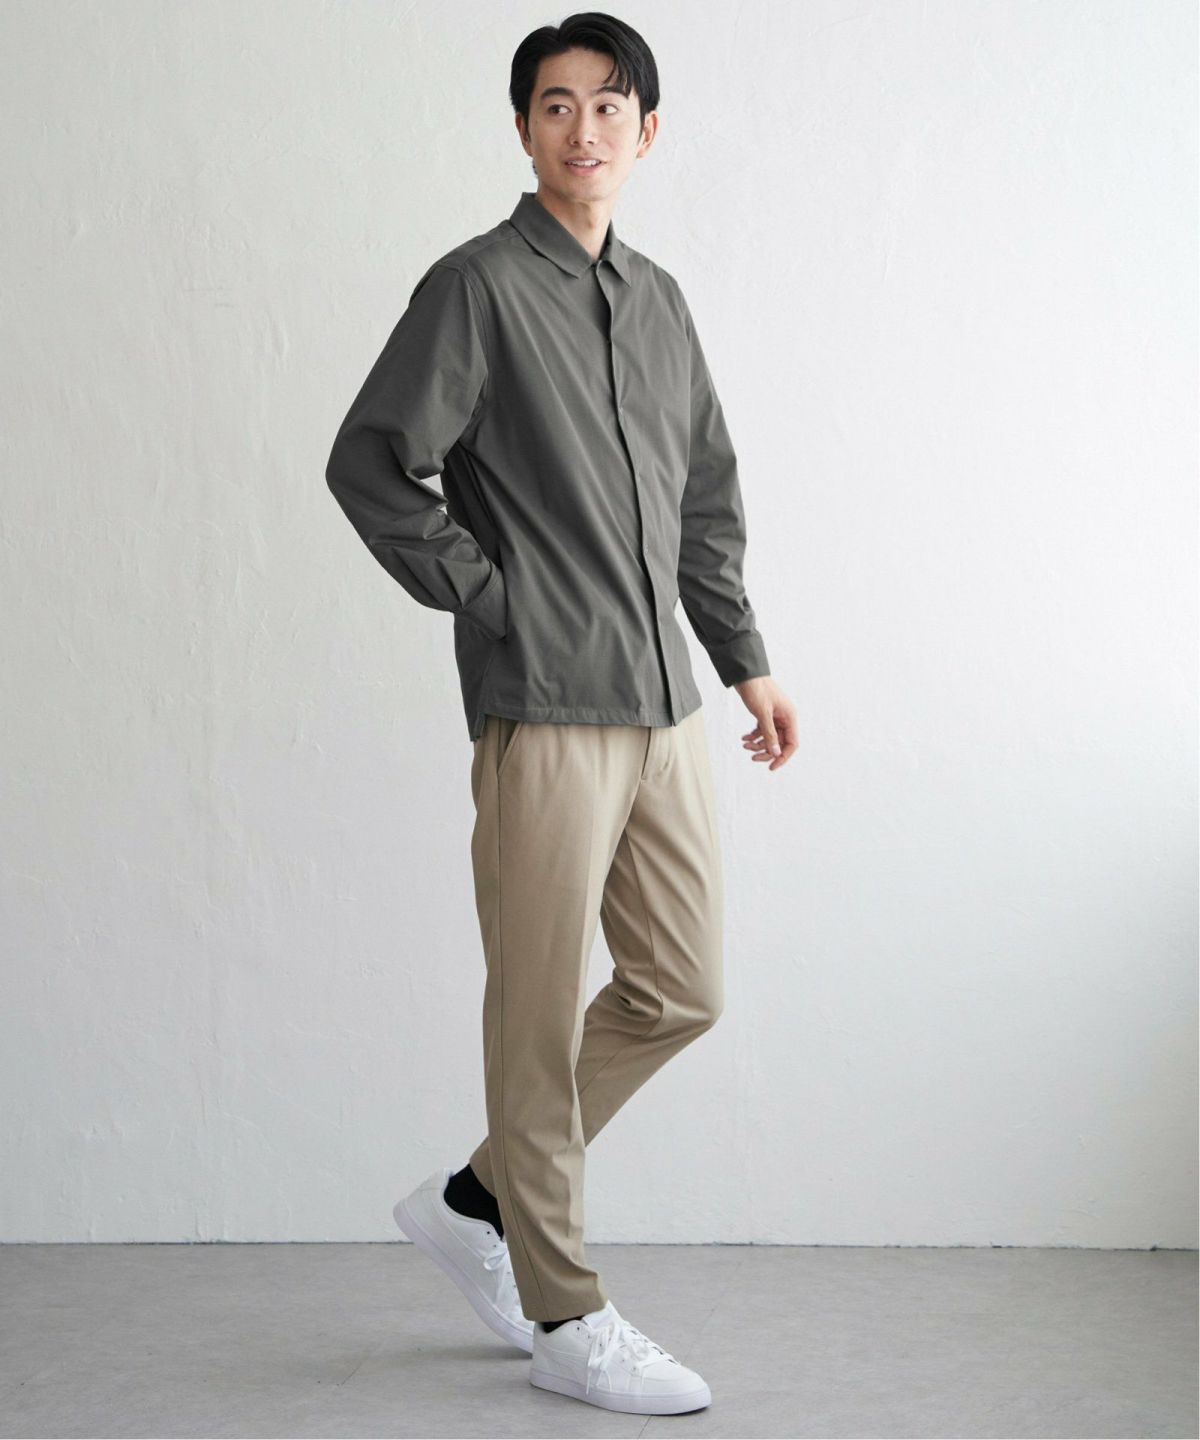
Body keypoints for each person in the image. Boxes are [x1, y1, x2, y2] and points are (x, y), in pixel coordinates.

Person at [325, 10, 797, 1417]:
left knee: (681, 987)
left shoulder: (659, 302)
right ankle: (563, 1311)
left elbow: (704, 499)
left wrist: (745, 657)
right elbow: (371, 464)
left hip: (664, 705)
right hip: (543, 704)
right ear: (524, 129)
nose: (581, 127)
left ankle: (480, 1196)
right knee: (534, 1016)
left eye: (606, 104)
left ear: (647, 131)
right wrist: (494, 596)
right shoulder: (475, 288)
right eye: (553, 103)